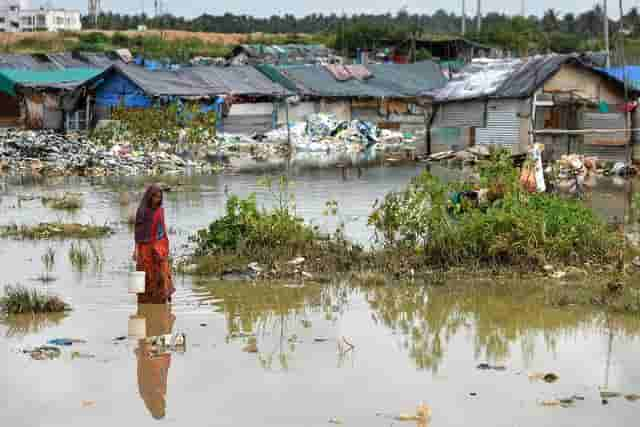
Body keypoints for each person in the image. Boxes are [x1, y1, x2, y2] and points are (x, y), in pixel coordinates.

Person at [133, 184, 175, 304]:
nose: (157, 199)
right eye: (155, 197)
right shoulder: (142, 211)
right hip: (145, 248)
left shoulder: (161, 210)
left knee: (162, 272)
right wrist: (136, 250)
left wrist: (165, 246)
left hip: (159, 246)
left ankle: (161, 300)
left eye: (159, 197)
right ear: (149, 197)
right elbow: (138, 232)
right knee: (146, 275)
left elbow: (163, 229)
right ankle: (146, 304)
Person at [135, 304, 175, 420]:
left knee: (144, 312)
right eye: (164, 407)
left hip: (151, 353)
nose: (164, 404)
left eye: (161, 407)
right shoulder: (158, 393)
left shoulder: (148, 393)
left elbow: (144, 369)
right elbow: (164, 370)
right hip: (156, 353)